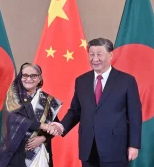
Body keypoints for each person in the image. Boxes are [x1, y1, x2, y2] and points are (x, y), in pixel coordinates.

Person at [51, 38, 142, 167]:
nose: (95, 59)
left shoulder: (126, 81)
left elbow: (135, 115)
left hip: (115, 147)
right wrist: (62, 126)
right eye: (91, 54)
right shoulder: (81, 81)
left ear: (110, 55)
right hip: (88, 147)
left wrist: (134, 145)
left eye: (99, 54)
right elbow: (76, 110)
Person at [0, 62, 63, 167]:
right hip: (16, 152)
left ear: (39, 79)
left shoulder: (46, 100)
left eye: (33, 75)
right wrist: (43, 126)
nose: (29, 78)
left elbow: (56, 126)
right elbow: (14, 119)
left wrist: (42, 138)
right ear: (20, 77)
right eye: (25, 75)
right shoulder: (12, 98)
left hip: (40, 152)